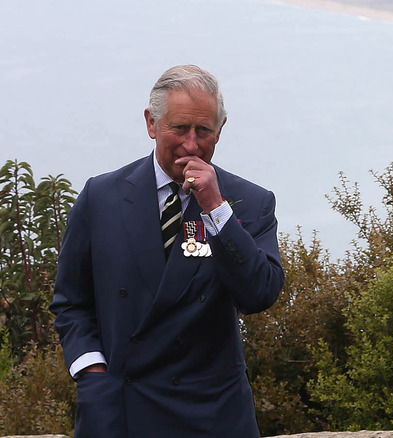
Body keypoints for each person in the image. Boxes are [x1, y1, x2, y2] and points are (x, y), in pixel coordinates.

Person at [50, 64, 285, 438]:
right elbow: (71, 302)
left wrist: (216, 208)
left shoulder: (250, 201)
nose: (192, 144)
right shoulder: (102, 196)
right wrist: (92, 374)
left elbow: (259, 294)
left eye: (204, 131)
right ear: (151, 123)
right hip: (120, 409)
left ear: (220, 130)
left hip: (212, 414)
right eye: (179, 128)